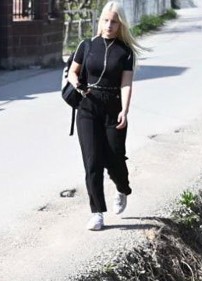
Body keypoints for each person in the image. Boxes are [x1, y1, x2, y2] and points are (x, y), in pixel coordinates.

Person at [66, 2, 146, 231]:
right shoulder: (87, 45)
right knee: (92, 161)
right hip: (88, 107)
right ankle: (97, 213)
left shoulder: (125, 52)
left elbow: (126, 85)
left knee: (115, 159)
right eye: (106, 20)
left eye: (114, 22)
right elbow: (73, 71)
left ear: (120, 24)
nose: (109, 25)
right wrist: (77, 83)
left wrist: (125, 110)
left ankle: (123, 188)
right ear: (100, 21)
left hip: (113, 108)